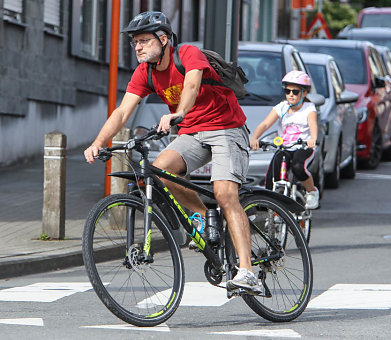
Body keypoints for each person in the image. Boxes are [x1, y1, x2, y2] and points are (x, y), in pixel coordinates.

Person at [83, 11, 261, 294]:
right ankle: (200, 216)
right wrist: (98, 142)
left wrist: (179, 113)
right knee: (160, 170)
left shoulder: (187, 53)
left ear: (163, 39)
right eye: (135, 42)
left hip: (226, 128)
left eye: (143, 41)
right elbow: (122, 111)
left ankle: (247, 272)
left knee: (225, 193)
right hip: (191, 132)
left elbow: (191, 85)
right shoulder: (145, 72)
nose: (137, 47)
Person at [249, 70, 320, 210]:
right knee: (273, 173)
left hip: (303, 147)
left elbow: (313, 124)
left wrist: (313, 139)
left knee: (298, 167)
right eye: (288, 91)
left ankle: (312, 191)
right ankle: (269, 204)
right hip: (285, 147)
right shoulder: (282, 107)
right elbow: (265, 124)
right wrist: (255, 137)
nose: (291, 95)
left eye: (295, 91)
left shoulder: (308, 108)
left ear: (304, 93)